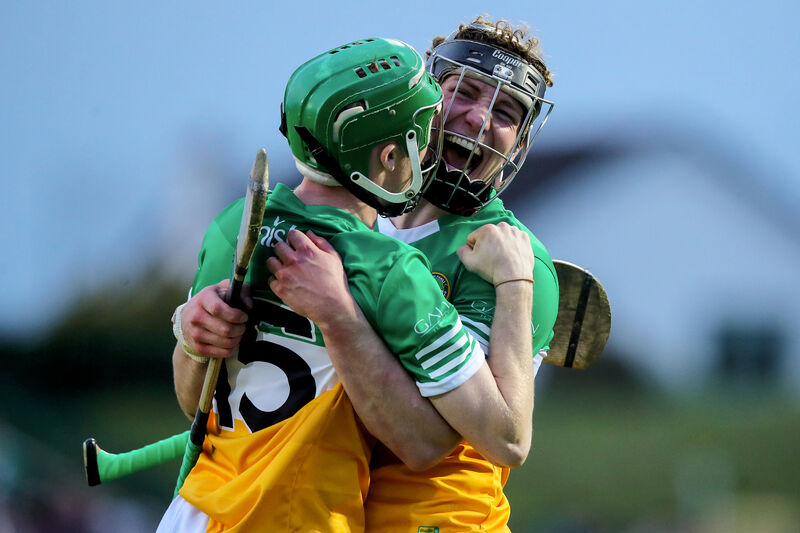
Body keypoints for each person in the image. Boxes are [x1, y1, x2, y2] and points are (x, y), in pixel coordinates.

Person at [160, 36, 540, 532]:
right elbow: (456, 442)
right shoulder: (394, 270)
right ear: (387, 156)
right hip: (300, 519)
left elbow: (194, 401)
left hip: (193, 515)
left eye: (505, 110)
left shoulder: (233, 227)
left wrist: (188, 340)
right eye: (422, 131)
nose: (429, 146)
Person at [267, 16, 559, 531]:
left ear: (517, 144)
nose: (478, 118)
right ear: (424, 95)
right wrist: (197, 325)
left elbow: (464, 433)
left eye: (506, 111)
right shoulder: (349, 214)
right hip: (331, 506)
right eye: (464, 92)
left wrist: (339, 315)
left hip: (438, 519)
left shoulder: (513, 260)